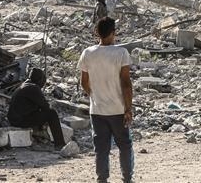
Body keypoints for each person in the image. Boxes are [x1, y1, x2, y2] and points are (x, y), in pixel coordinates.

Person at [78, 18, 134, 183]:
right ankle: (127, 178)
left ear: (97, 33)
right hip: (117, 109)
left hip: (97, 110)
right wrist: (128, 108)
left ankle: (102, 179)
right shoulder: (121, 53)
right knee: (124, 145)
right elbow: (126, 83)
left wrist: (94, 95)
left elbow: (84, 81)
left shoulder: (87, 53)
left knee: (101, 148)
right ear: (113, 33)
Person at [7, 68, 66, 150]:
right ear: (40, 80)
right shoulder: (33, 88)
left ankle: (40, 134)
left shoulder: (25, 85)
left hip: (14, 119)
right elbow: (46, 107)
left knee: (41, 111)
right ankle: (60, 144)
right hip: (19, 121)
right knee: (52, 114)